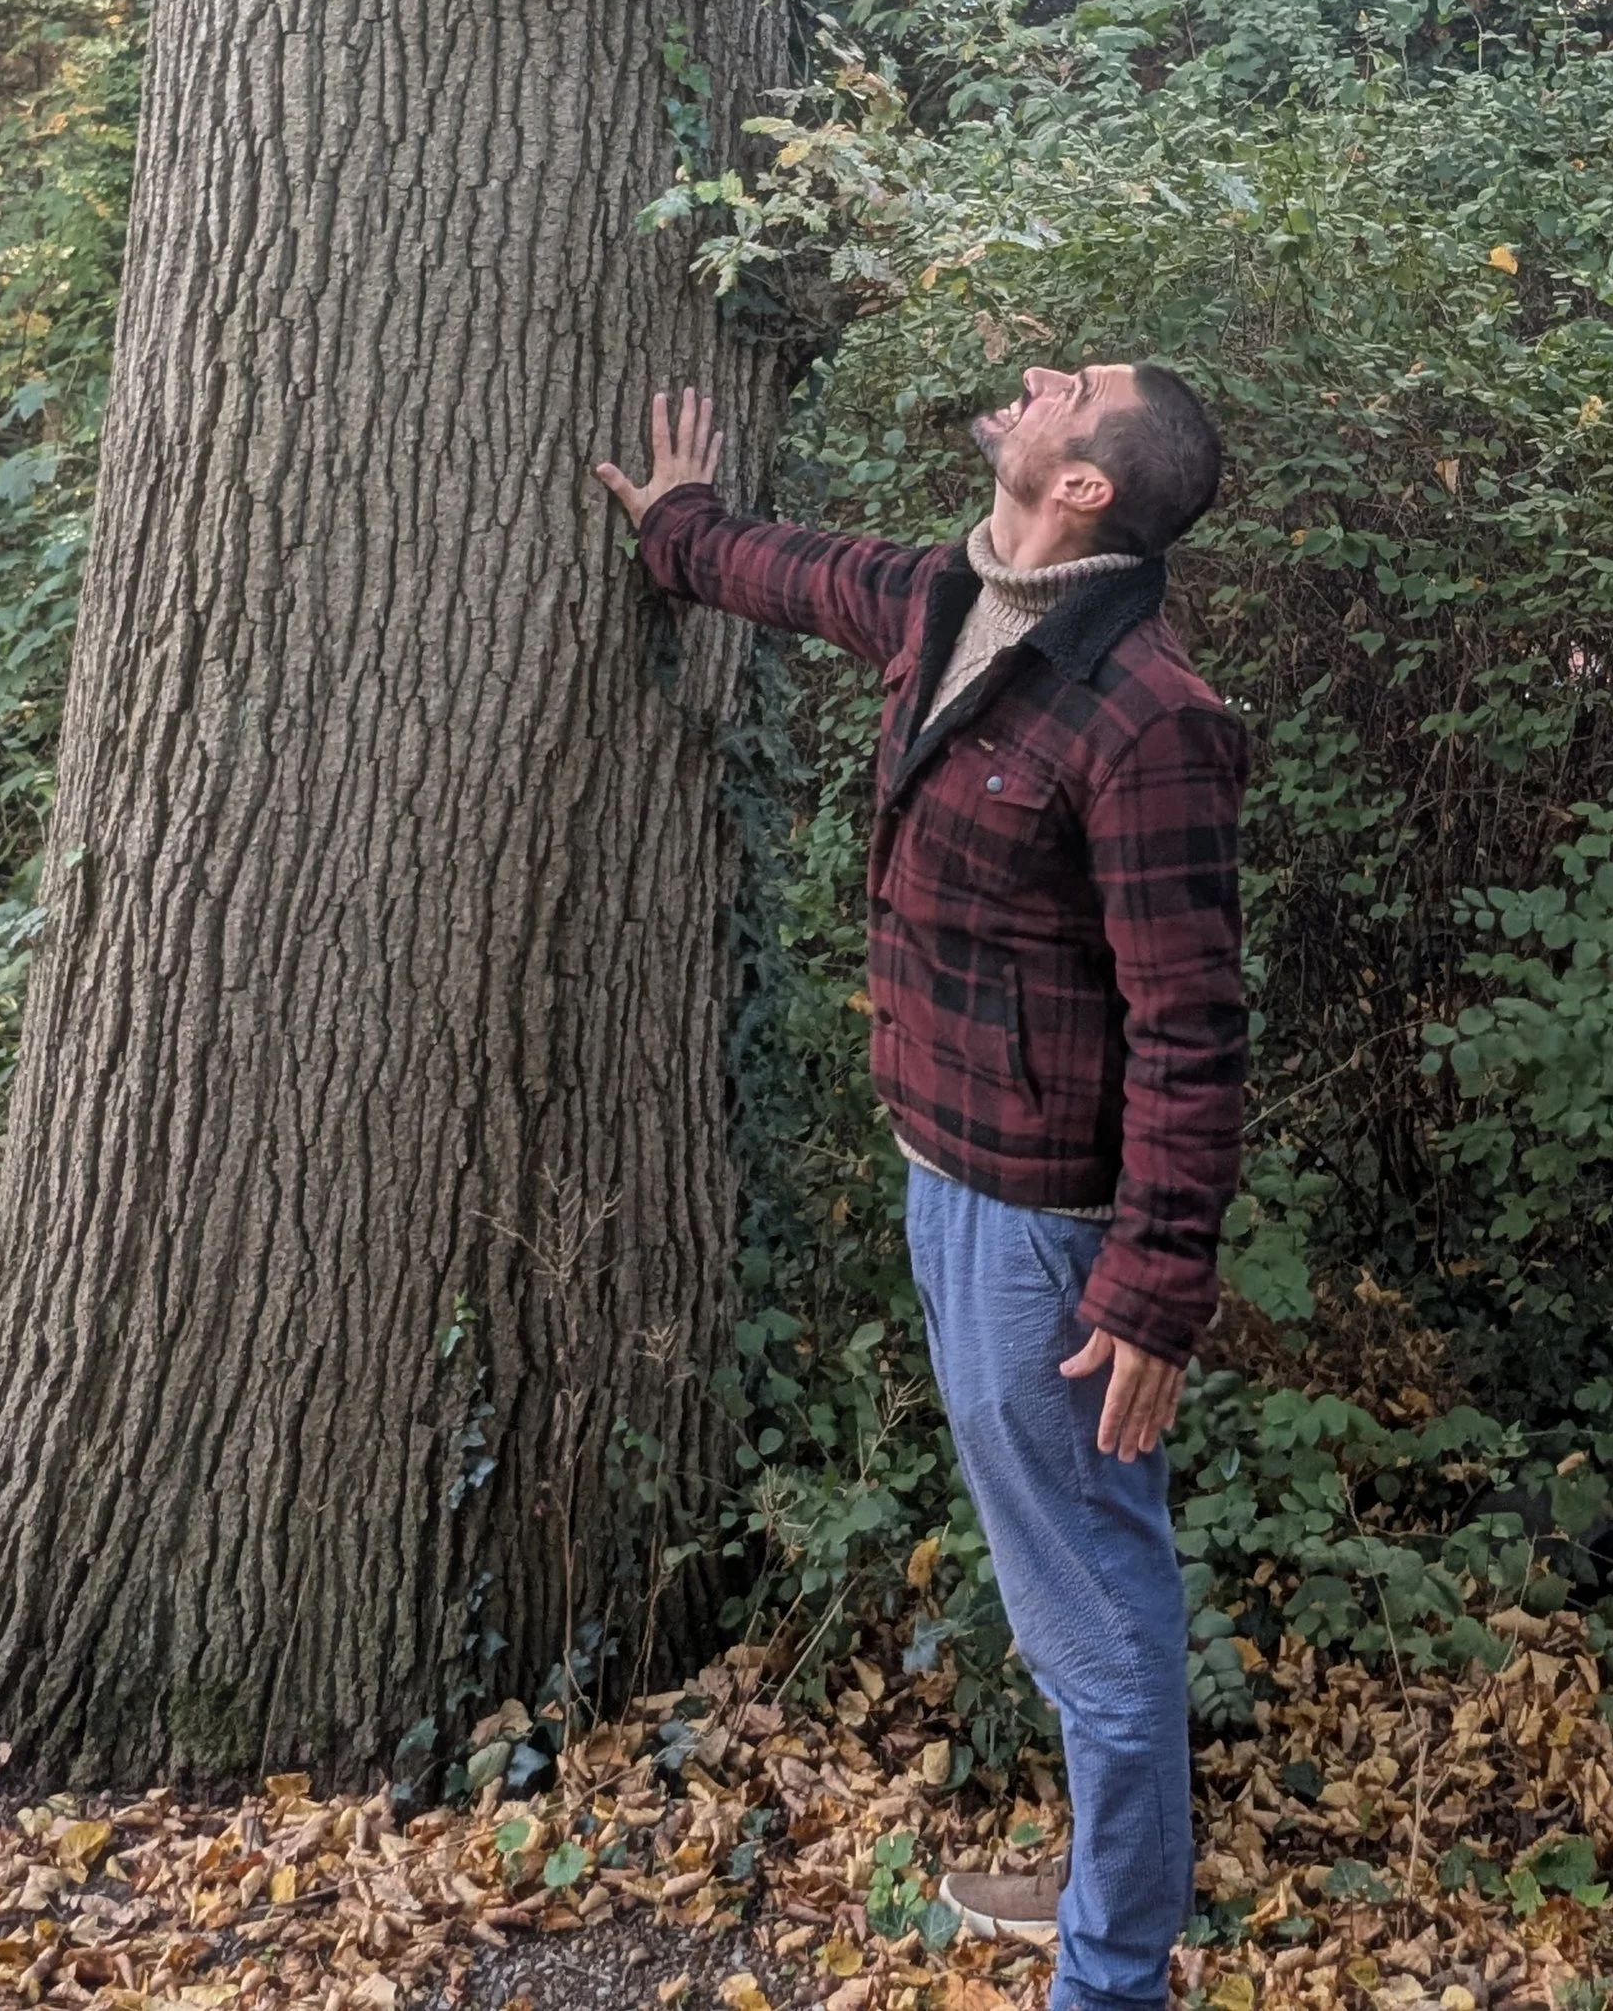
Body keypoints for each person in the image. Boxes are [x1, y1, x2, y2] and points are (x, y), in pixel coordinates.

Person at [597, 361, 1248, 2011]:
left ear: (1087, 482)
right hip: (945, 1173)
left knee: (1095, 1607)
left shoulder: (1149, 713)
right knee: (1068, 1581)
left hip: (1046, 1230)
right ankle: (1113, 1881)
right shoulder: (961, 594)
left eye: (1072, 386)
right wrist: (680, 529)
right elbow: (806, 579)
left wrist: (1154, 1286)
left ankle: (1112, 1979)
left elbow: (1193, 1027)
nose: (1037, 380)